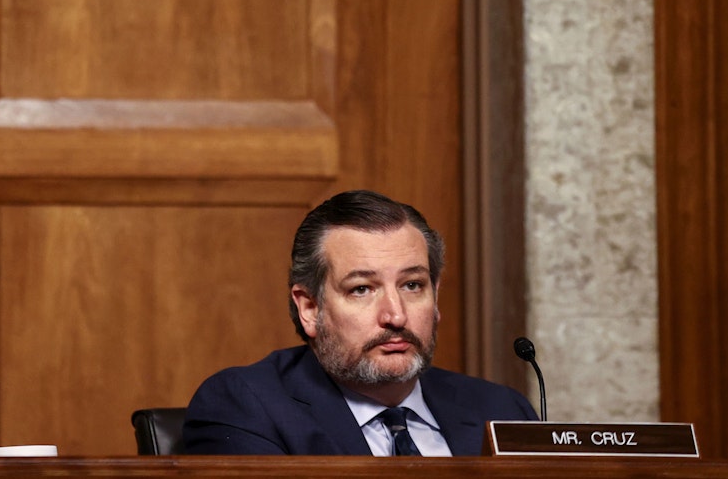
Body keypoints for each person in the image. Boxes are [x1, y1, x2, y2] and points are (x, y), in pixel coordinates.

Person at [182, 189, 538, 455]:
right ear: (310, 308)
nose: (395, 316)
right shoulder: (247, 407)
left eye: (413, 285)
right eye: (362, 289)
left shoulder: (501, 410)